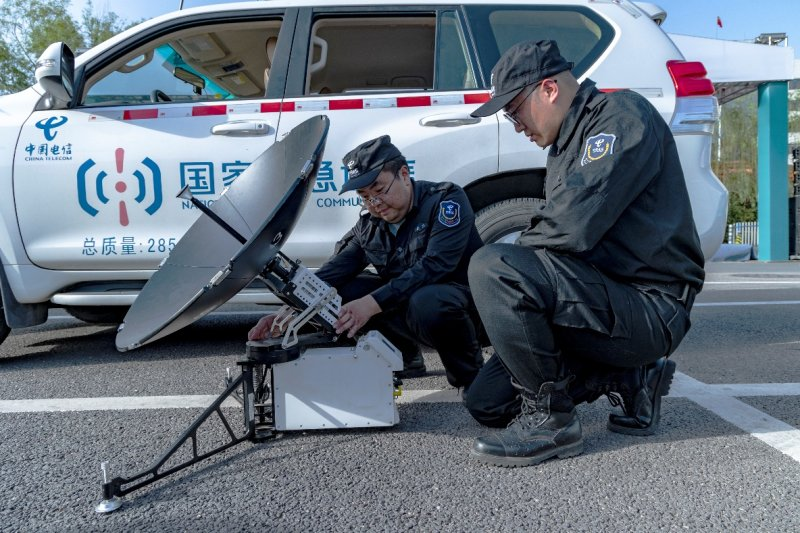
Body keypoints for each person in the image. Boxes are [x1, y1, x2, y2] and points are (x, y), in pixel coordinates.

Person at [464, 40, 704, 467]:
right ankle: (631, 378)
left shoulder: (621, 117)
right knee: (488, 403)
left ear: (549, 89)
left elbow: (570, 225)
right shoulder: (564, 146)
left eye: (514, 109)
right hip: (598, 303)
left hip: (649, 305)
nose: (514, 123)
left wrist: (502, 285)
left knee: (493, 266)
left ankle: (554, 423)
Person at [248, 135, 485, 389]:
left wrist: (370, 304)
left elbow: (434, 266)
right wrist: (289, 316)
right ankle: (403, 356)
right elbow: (330, 276)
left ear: (404, 175)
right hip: (414, 313)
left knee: (428, 300)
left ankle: (471, 378)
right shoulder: (369, 227)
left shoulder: (445, 201)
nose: (375, 203)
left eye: (380, 190)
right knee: (341, 292)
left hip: (471, 313)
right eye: (365, 196)